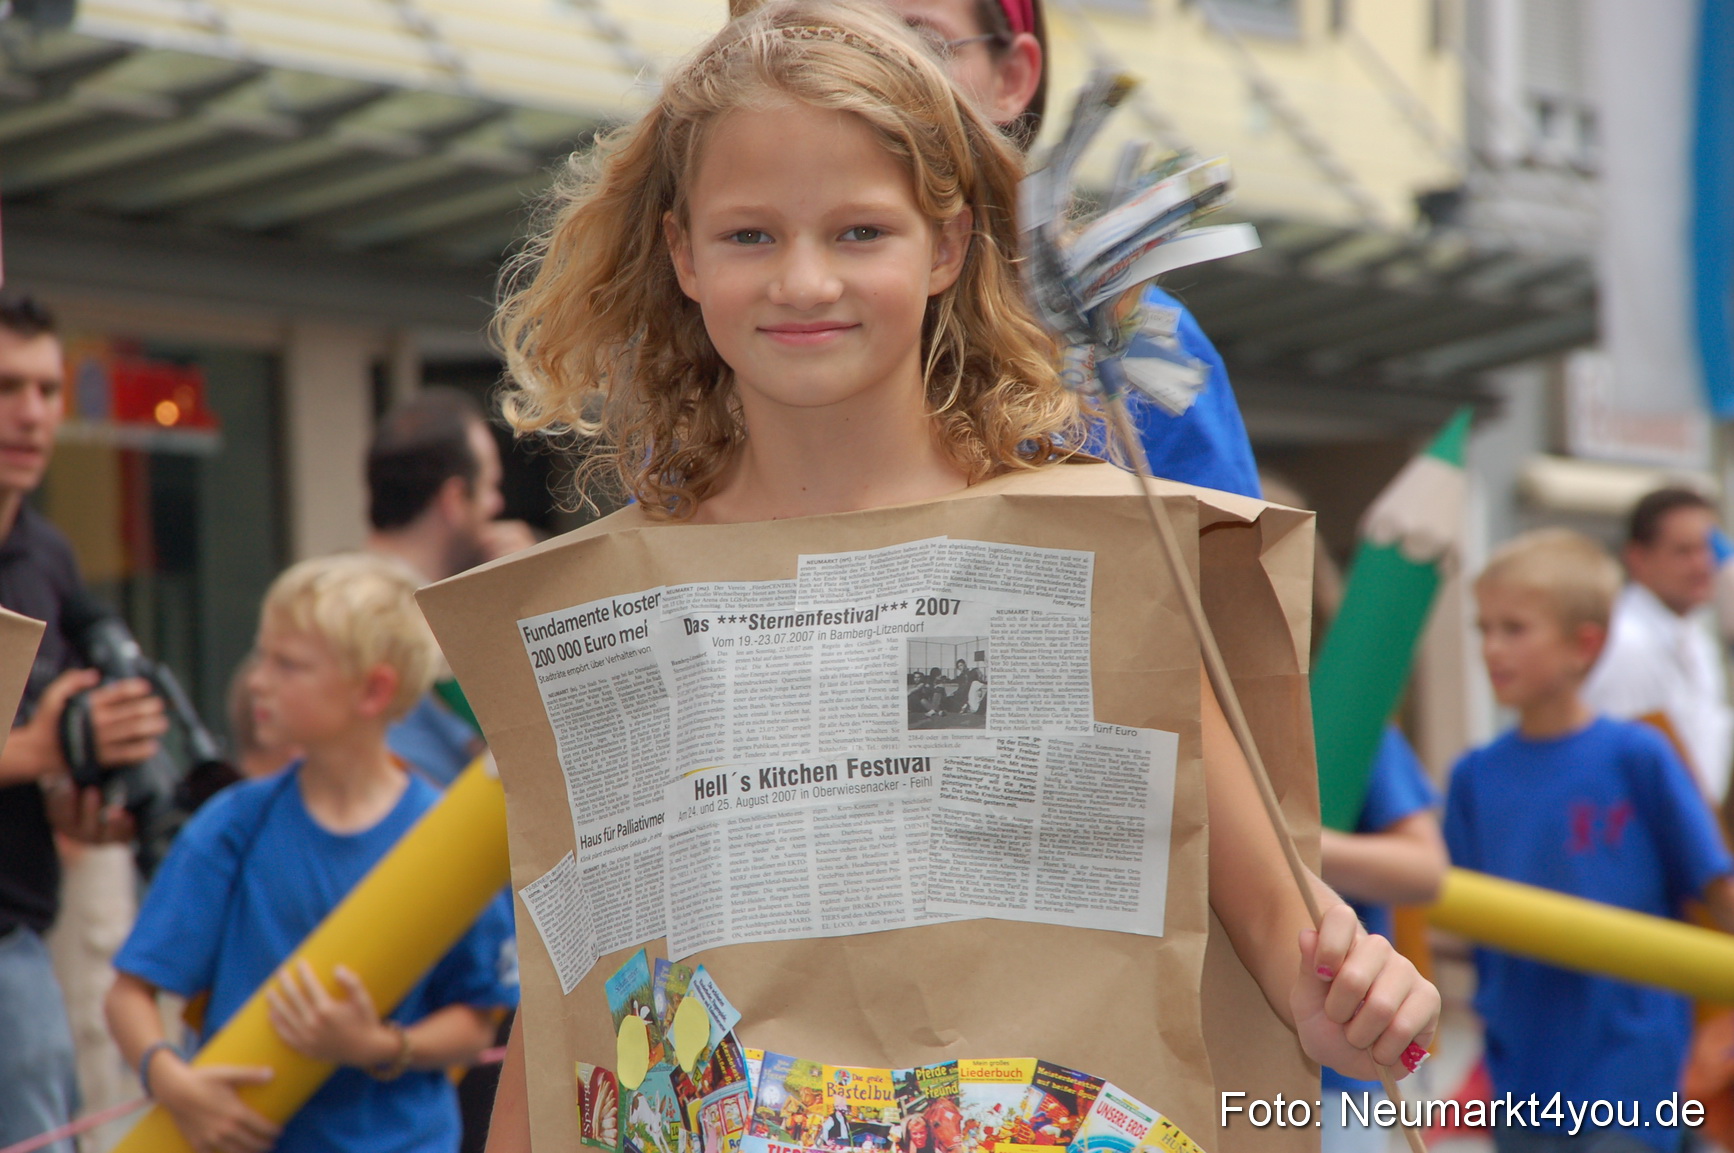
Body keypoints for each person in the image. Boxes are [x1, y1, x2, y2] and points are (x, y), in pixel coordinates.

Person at [478, 4, 1437, 1148]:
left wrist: (1349, 997)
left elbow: (1284, 933)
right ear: (682, 252)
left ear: (947, 244)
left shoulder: (1093, 558)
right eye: (749, 236)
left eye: (859, 231)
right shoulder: (614, 615)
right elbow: (572, 1005)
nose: (804, 280)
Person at [105, 553, 518, 1153]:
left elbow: (476, 1019)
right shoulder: (234, 826)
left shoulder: (443, 838)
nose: (257, 681)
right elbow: (129, 993)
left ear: (373, 690)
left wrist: (376, 1046)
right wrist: (172, 1082)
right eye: (262, 656)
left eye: (288, 664)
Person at [881, 0, 1262, 498]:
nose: (875, 74)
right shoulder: (792, 313)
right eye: (829, 34)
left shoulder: (1122, 333)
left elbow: (1221, 541)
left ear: (1012, 76)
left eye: (922, 43)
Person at [1445, 528, 1734, 1153]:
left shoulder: (1637, 755)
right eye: (1483, 628)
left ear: (1585, 644)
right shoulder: (1474, 776)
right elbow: (1454, 915)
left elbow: (1717, 889)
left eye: (1515, 629)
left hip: (1631, 1065)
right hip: (1523, 1070)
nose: (1492, 648)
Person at [0, 296, 168, 1152]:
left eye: (47, 388)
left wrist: (83, 792)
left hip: (22, 928)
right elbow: (37, 741)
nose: (31, 413)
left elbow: (54, 757)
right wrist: (42, 747)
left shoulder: (49, 555)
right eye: (5, 388)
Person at [366, 387, 536, 787]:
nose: (497, 506)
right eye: (491, 486)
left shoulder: (319, 600)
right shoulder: (431, 626)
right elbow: (525, 750)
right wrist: (530, 596)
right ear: (454, 498)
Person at [1582, 487, 1732, 804]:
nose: (1702, 564)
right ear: (1637, 558)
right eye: (1683, 552)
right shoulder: (1624, 644)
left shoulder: (1697, 639)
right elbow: (1620, 771)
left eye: (1708, 548)